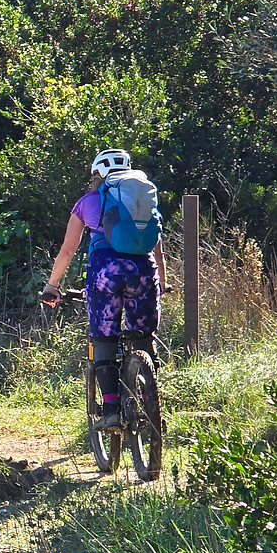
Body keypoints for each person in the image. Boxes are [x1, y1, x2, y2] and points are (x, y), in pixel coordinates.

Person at [40, 149, 168, 429]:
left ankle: (110, 409)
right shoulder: (141, 199)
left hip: (105, 272)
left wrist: (53, 285)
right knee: (144, 337)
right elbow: (155, 243)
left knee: (104, 338)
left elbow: (67, 251)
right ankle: (152, 407)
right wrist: (163, 280)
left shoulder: (88, 201)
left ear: (96, 175)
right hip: (143, 271)